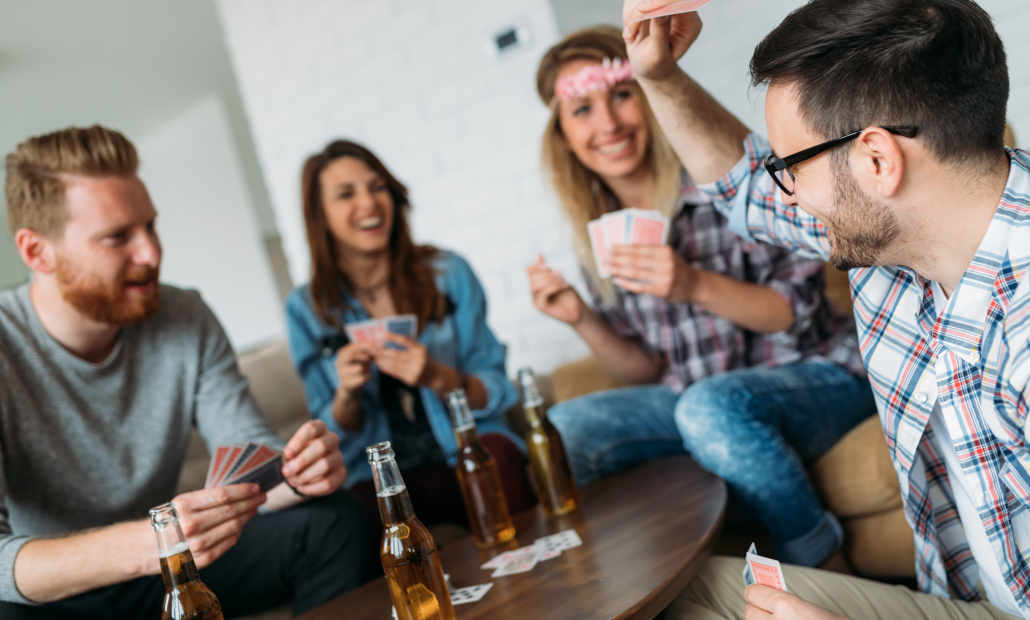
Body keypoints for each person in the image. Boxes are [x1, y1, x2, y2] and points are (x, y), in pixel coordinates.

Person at [622, 1, 1027, 618]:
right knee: (690, 595)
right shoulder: (903, 234)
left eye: (790, 167)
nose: (786, 193)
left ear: (877, 160)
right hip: (959, 597)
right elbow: (744, 189)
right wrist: (659, 76)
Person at [526, 25, 873, 570]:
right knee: (568, 428)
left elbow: (795, 315)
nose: (608, 124)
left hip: (814, 376)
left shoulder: (721, 182)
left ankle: (824, 565)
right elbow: (646, 368)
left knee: (710, 407)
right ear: (564, 136)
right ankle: (645, 576)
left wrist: (693, 285)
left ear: (648, 98)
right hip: (699, 402)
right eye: (582, 110)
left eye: (621, 95)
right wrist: (580, 319)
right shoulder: (601, 233)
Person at [0, 125, 378, 619]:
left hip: (170, 565)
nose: (151, 254)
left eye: (150, 227)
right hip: (57, 596)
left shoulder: (185, 316)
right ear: (37, 252)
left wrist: (299, 475)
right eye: (118, 237)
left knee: (338, 521)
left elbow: (249, 455)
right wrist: (150, 543)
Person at [284, 139, 532, 530]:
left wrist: (438, 377)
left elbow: (499, 388)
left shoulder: (449, 273)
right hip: (379, 477)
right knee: (350, 516)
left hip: (463, 450)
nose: (369, 203)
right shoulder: (306, 308)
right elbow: (328, 431)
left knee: (497, 457)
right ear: (320, 216)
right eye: (346, 194)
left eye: (377, 187)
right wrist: (347, 394)